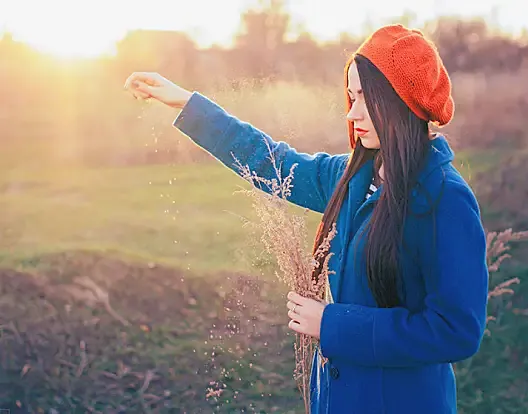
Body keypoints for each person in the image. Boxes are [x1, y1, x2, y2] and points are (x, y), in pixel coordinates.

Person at [125, 24, 489, 414]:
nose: (352, 112)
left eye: (366, 97)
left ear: (402, 100)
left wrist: (332, 325)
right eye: (351, 96)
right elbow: (273, 162)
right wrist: (187, 105)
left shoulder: (445, 200)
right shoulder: (350, 178)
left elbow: (456, 332)